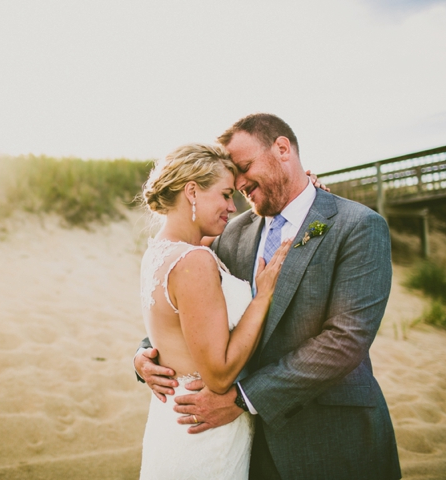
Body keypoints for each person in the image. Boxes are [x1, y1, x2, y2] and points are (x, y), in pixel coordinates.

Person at [135, 113, 401, 480]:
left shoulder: (357, 225)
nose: (239, 183)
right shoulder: (232, 233)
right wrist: (146, 354)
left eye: (243, 167)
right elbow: (188, 303)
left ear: (282, 149)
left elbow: (346, 341)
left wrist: (245, 398)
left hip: (330, 440)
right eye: (231, 177)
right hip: (253, 452)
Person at [138, 143, 292, 478]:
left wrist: (299, 192)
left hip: (172, 422)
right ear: (192, 191)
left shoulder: (161, 251)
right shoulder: (194, 261)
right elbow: (219, 375)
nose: (232, 206)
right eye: (224, 195)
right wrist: (262, 296)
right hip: (204, 431)